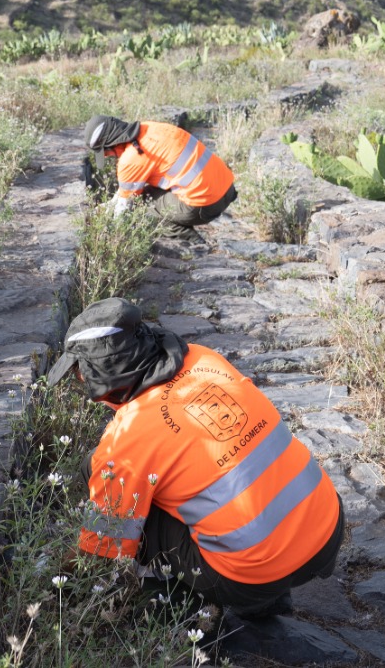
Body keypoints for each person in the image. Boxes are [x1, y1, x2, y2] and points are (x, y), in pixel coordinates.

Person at [47, 298, 345, 620]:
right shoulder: (203, 358)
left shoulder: (127, 441)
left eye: (80, 375)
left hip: (250, 579)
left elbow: (102, 551)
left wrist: (57, 592)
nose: (81, 383)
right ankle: (274, 589)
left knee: (110, 481)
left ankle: (177, 601)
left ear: (101, 375)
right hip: (328, 533)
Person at [81, 114, 238, 239]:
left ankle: (188, 239)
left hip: (206, 205)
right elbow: (125, 190)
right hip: (227, 189)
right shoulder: (150, 127)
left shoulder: (131, 159)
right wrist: (108, 206)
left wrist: (112, 240)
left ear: (113, 143)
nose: (107, 156)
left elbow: (123, 210)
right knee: (143, 192)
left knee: (140, 205)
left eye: (106, 152)